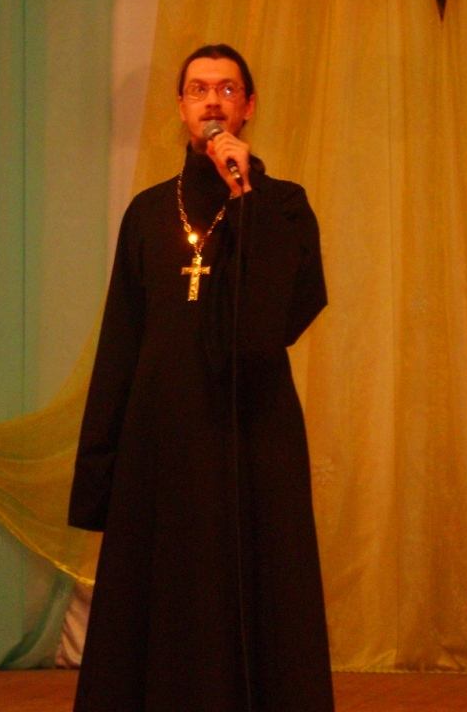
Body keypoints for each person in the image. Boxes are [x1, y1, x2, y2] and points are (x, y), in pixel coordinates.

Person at [68, 44, 334, 712]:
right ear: (181, 107)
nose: (212, 100)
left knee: (251, 584)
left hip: (250, 430)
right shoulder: (148, 212)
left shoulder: (282, 206)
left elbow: (281, 317)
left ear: (248, 107)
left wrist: (246, 199)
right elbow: (120, 342)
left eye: (227, 89)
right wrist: (102, 465)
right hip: (158, 435)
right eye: (198, 89)